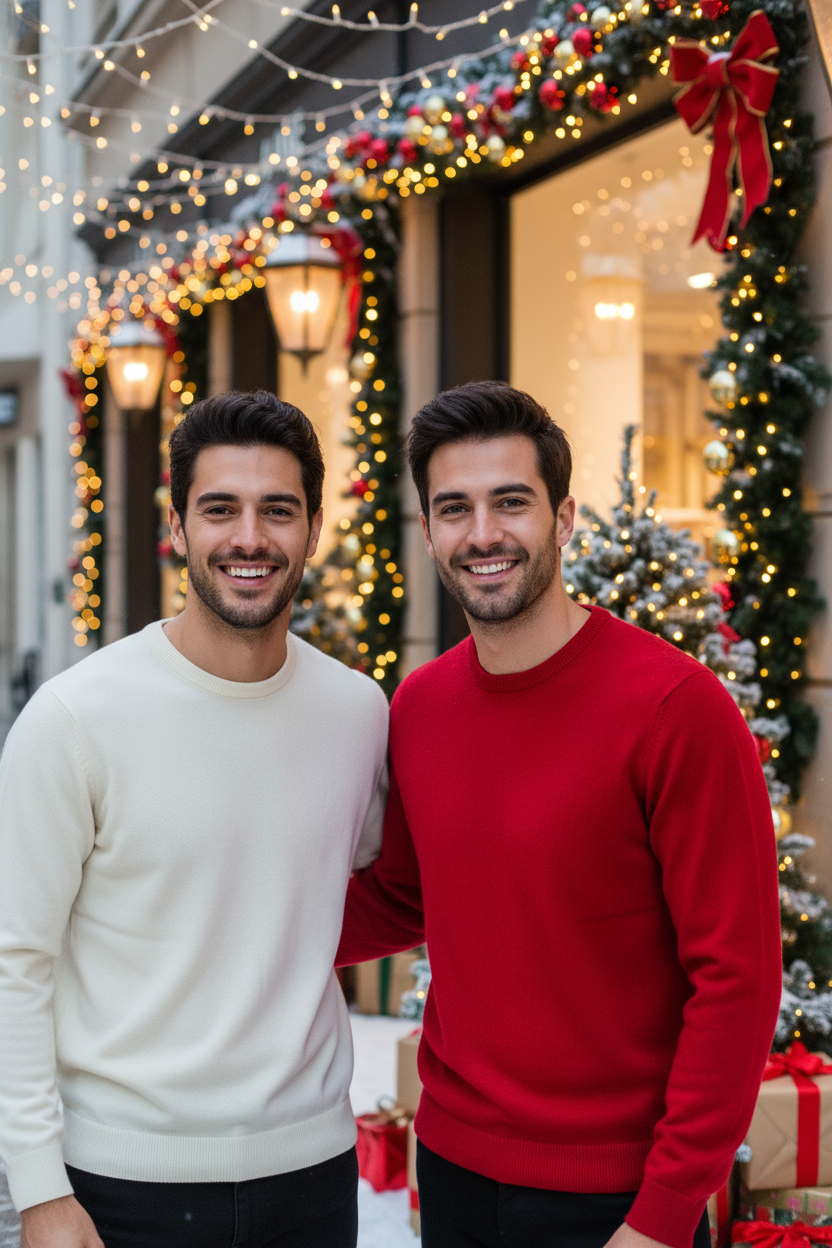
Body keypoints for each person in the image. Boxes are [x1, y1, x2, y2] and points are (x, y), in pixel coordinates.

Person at [337, 380, 782, 1248]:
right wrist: (217, 919)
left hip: (618, 1199)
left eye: (512, 502)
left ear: (564, 515)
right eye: (454, 509)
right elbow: (402, 895)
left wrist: (660, 1218)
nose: (484, 534)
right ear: (428, 533)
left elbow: (738, 980)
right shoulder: (419, 708)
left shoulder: (676, 708)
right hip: (456, 1174)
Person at [0, 390, 389, 1248]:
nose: (249, 538)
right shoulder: (75, 719)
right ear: (177, 527)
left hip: (314, 1180)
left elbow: (343, 887)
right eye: (220, 509)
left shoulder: (359, 713)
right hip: (119, 1185)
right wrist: (38, 1189)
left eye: (277, 510)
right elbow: (13, 963)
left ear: (314, 529)